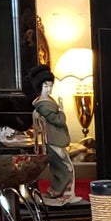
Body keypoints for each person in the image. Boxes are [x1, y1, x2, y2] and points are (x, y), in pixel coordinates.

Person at [30, 63, 75, 200]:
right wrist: (61, 111)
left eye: (50, 86)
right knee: (64, 169)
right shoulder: (43, 104)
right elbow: (58, 121)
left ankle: (61, 193)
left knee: (64, 168)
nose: (49, 89)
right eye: (45, 86)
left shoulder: (46, 100)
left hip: (55, 138)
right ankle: (56, 192)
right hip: (53, 139)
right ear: (40, 87)